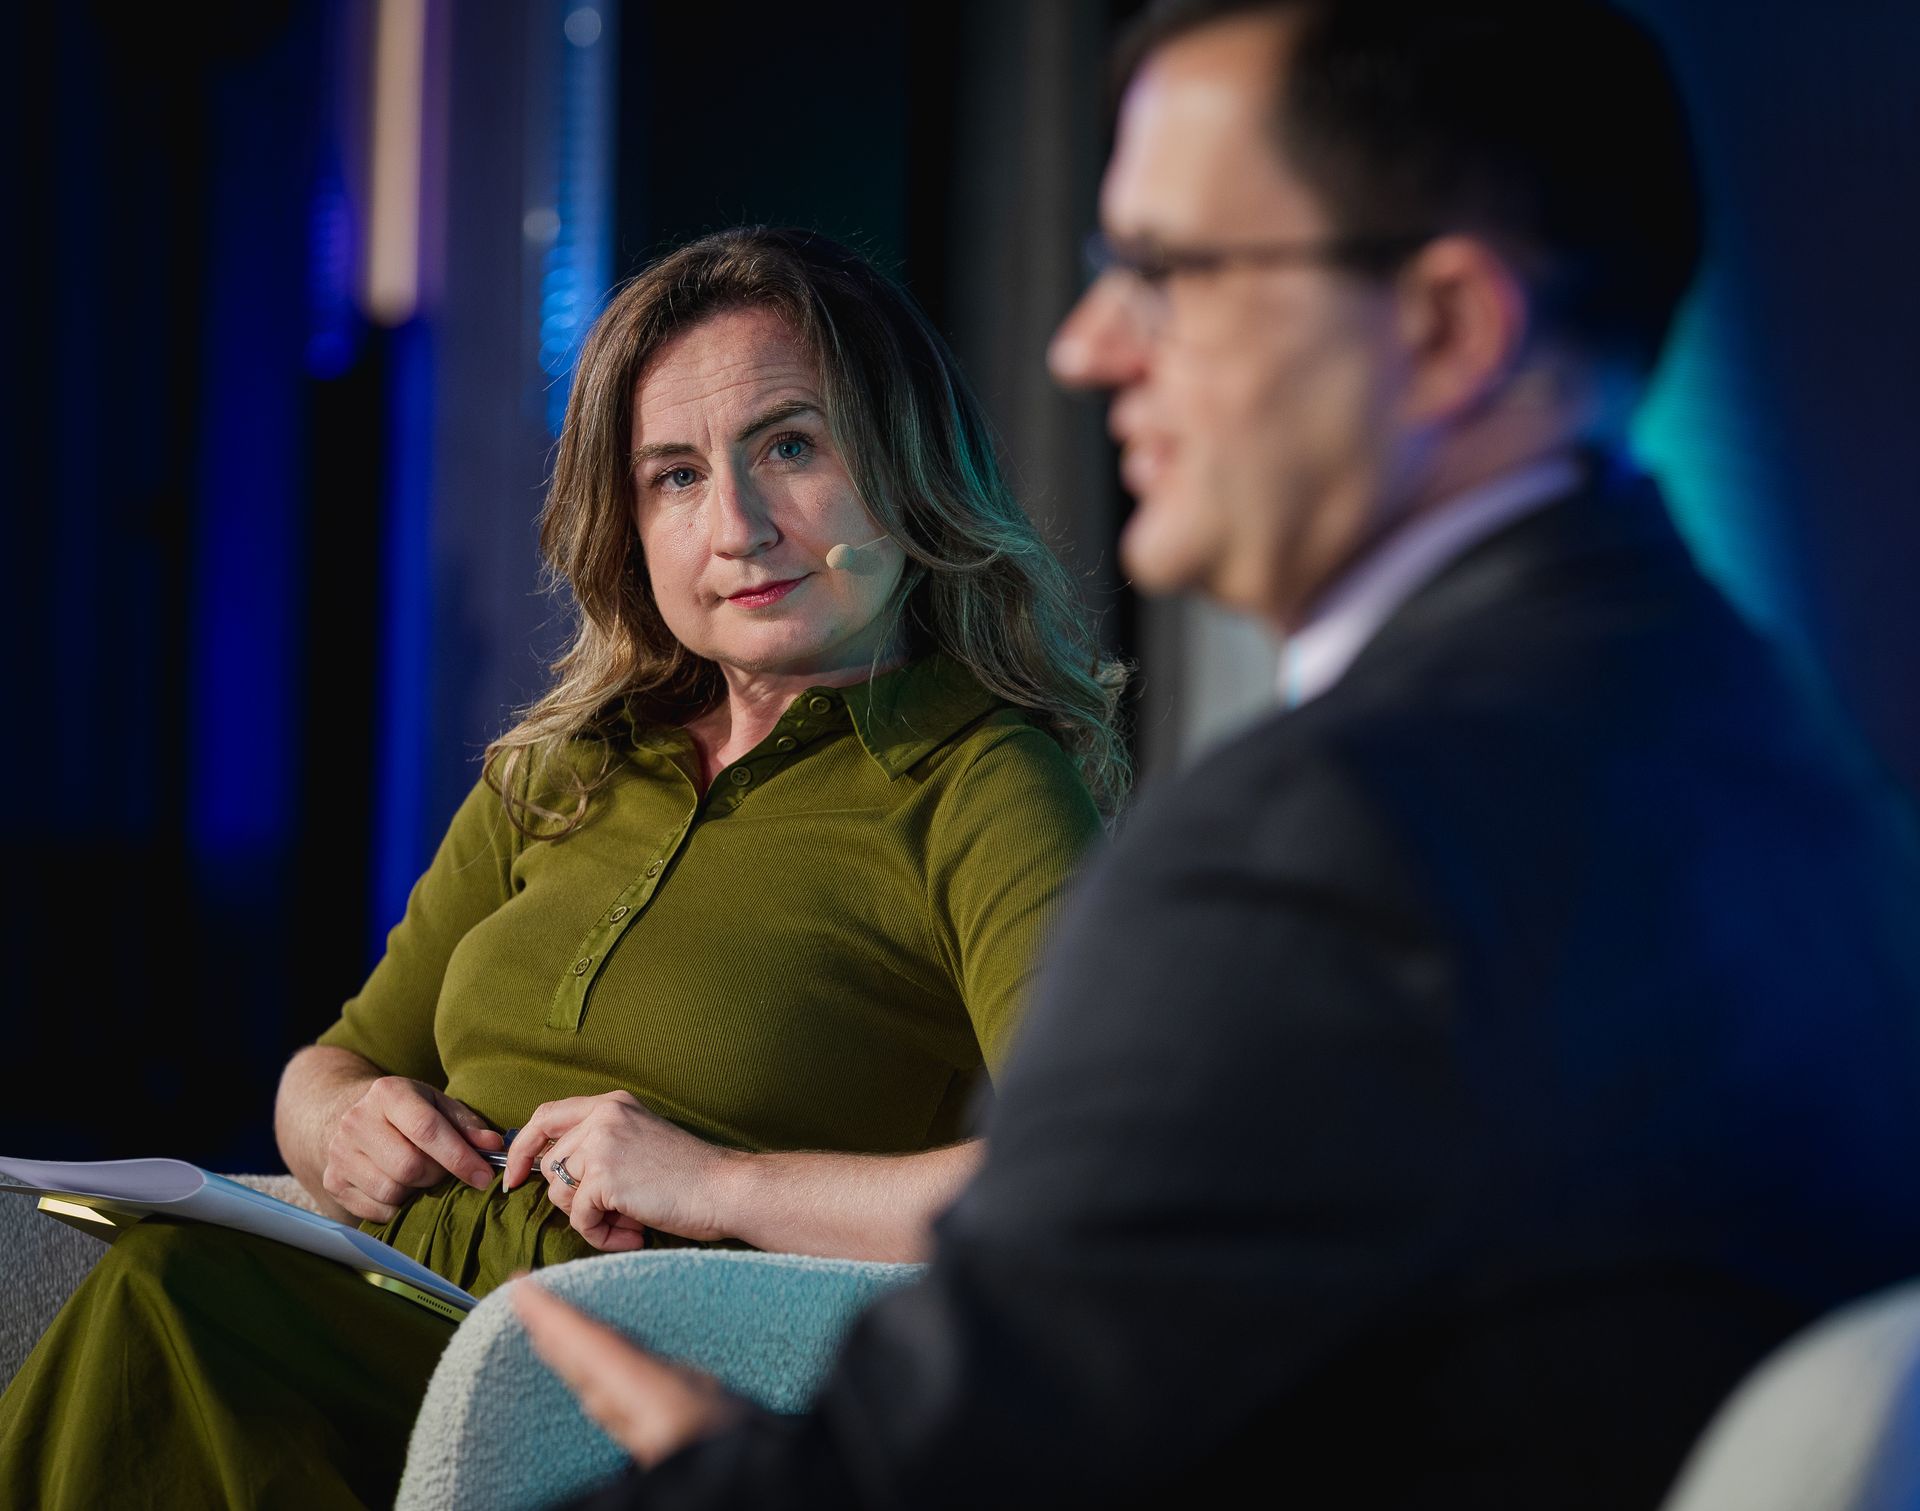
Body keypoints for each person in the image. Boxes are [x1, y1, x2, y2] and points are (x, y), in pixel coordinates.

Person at [512, 3, 1920, 1508]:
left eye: (1168, 273)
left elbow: (967, 1464)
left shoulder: (1331, 843)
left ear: (1448, 327)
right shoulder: (1768, 744)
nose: (1085, 345)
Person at [0, 227, 1128, 1507]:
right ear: (629, 522)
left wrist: (720, 1181)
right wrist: (341, 1126)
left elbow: (1085, 1185)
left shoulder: (982, 779)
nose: (740, 526)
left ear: (907, 464)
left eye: (791, 446)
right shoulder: (561, 767)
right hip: (393, 1309)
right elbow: (332, 1061)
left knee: (176, 1304)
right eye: (676, 477)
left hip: (610, 1379)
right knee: (159, 1285)